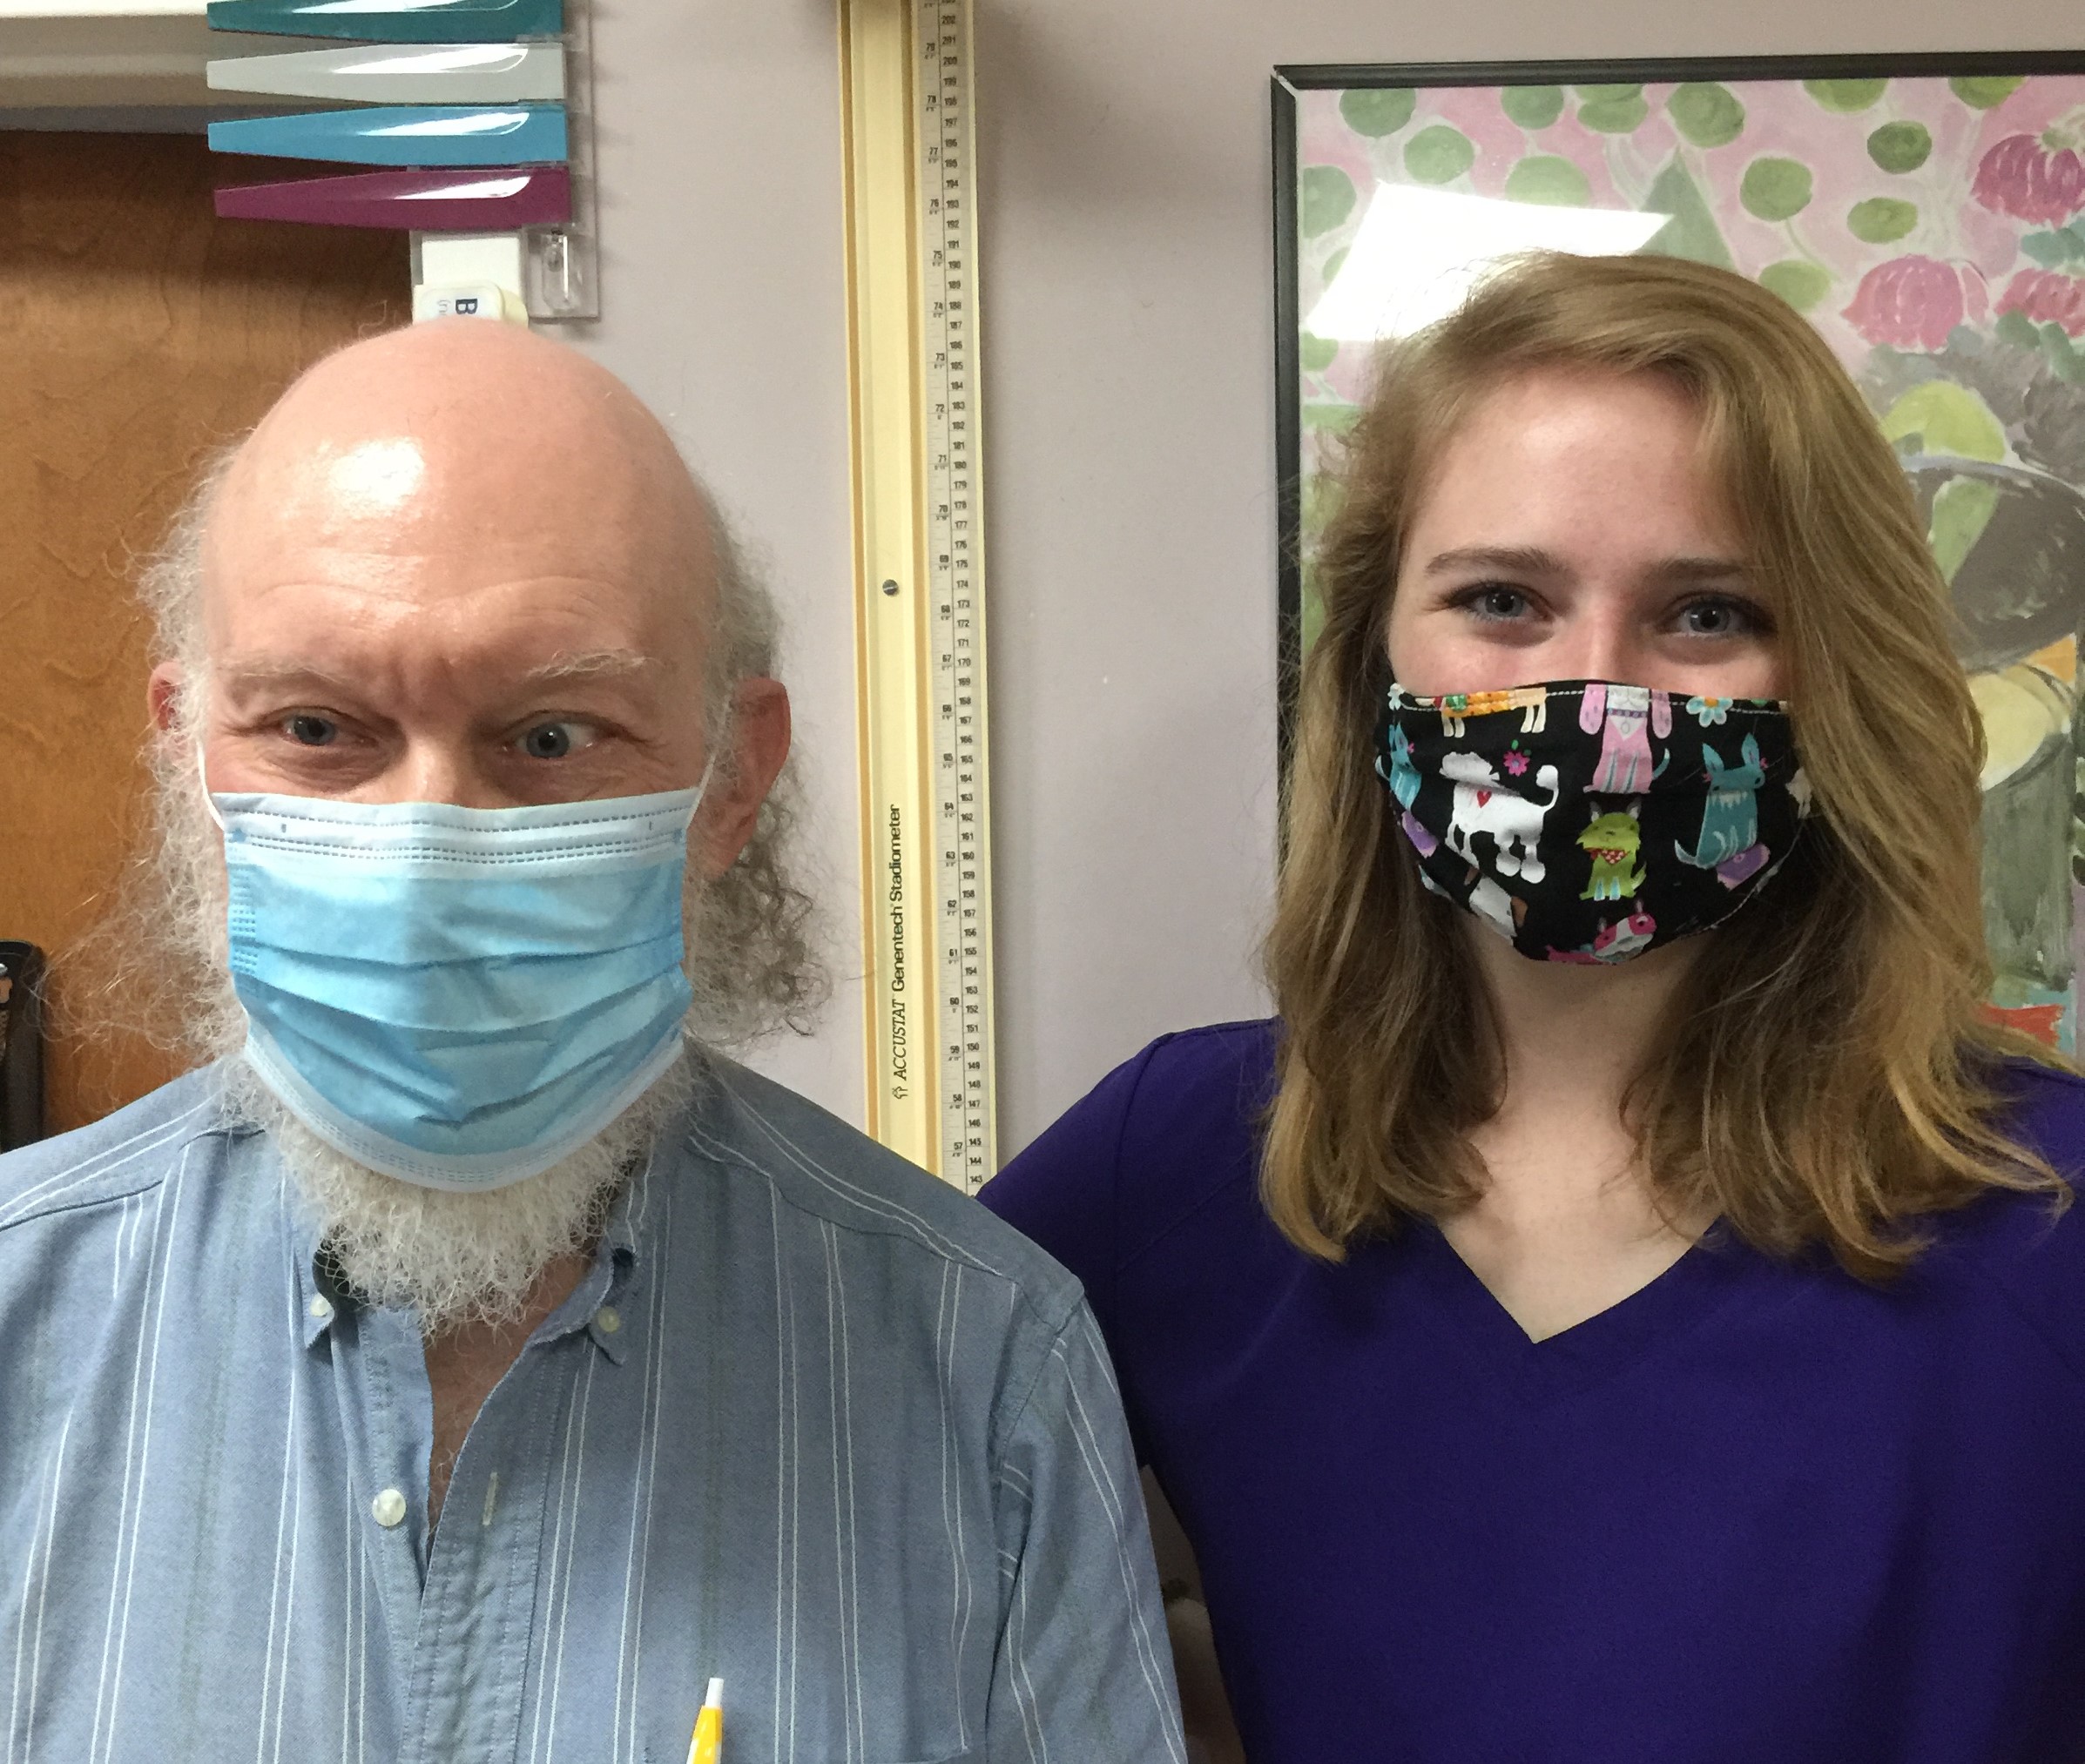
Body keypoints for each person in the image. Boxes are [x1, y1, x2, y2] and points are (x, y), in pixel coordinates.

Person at [0, 320, 1184, 1762]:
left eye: (552, 737)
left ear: (733, 776)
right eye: (316, 725)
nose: (428, 846)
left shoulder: (984, 1367)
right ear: (189, 753)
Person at [982, 252, 2085, 1763]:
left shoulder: (2043, 1215)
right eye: (1501, 599)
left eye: (1705, 613)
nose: (1594, 694)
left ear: (1834, 669)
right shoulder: (1172, 1165)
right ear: (1374, 656)